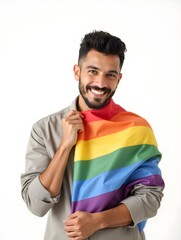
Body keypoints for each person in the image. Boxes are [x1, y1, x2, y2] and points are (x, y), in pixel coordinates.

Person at [21, 30, 165, 240]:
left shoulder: (136, 129)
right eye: (93, 71)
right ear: (77, 72)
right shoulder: (45, 129)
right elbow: (35, 205)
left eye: (110, 74)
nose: (100, 83)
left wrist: (98, 221)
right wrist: (64, 147)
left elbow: (150, 198)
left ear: (119, 79)